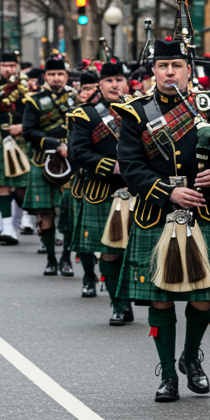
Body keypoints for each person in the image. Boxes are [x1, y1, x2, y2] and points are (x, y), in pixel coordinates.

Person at [115, 38, 210, 403]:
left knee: (203, 299)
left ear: (189, 70)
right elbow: (132, 168)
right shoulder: (136, 113)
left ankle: (191, 356)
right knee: (161, 300)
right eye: (162, 67)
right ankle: (168, 373)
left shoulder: (209, 107)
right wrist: (166, 192)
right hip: (158, 212)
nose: (169, 72)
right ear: (153, 71)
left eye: (176, 66)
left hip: (204, 212)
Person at [68, 60, 134, 323]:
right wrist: (113, 167)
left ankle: (129, 294)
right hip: (103, 190)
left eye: (119, 80)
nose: (115, 85)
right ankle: (119, 304)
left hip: (139, 190)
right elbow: (78, 152)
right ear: (100, 85)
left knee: (136, 251)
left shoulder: (141, 110)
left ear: (128, 83)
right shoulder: (87, 115)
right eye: (109, 80)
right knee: (110, 251)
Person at [22, 57, 77, 279]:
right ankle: (50, 260)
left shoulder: (77, 100)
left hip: (72, 161)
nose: (56, 78)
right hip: (43, 159)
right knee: (46, 213)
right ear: (45, 77)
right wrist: (55, 144)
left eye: (60, 74)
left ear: (66, 76)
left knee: (69, 213)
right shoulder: (34, 101)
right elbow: (29, 131)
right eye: (52, 74)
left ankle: (66, 258)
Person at [0, 52, 29, 245]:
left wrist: (25, 129)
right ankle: (7, 227)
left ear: (17, 68)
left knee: (22, 186)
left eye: (12, 65)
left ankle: (20, 221)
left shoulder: (26, 90)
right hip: (0, 141)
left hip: (23, 140)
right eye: (5, 65)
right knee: (1, 185)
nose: (9, 69)